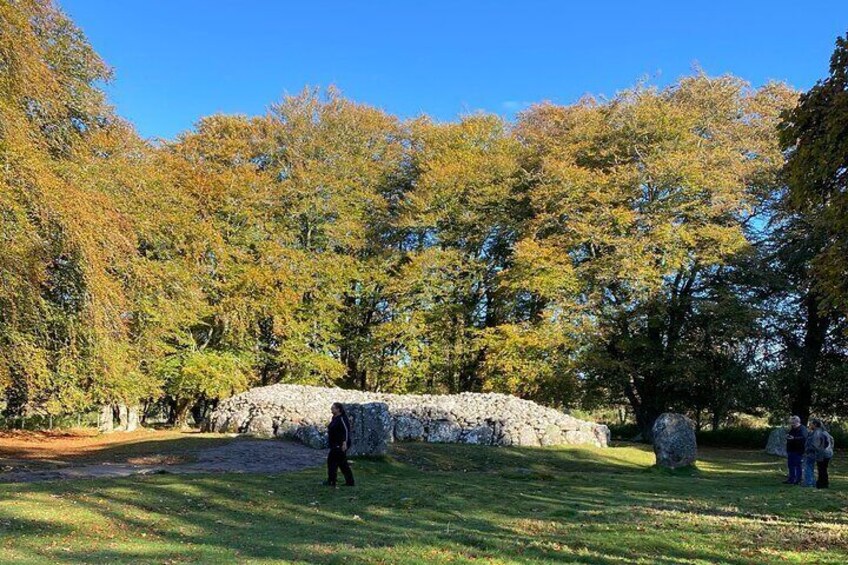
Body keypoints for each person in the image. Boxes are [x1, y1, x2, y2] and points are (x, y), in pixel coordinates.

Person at [323, 402, 355, 487]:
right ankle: (350, 481)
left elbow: (346, 431)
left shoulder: (342, 419)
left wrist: (344, 443)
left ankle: (332, 480)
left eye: (333, 408)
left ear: (338, 409)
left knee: (332, 461)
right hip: (334, 444)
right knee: (342, 463)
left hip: (339, 444)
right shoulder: (335, 418)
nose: (331, 409)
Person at [808, 418, 834, 489]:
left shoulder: (818, 432)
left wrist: (811, 449)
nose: (810, 426)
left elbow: (818, 444)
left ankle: (822, 484)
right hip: (828, 453)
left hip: (822, 454)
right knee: (823, 469)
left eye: (811, 424)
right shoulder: (824, 431)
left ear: (815, 425)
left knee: (821, 469)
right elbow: (831, 440)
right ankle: (823, 483)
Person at [784, 415, 807, 485]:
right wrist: (788, 436)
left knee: (797, 465)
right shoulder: (792, 429)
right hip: (791, 449)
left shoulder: (802, 429)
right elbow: (790, 435)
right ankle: (791, 479)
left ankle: (798, 480)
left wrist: (794, 438)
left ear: (797, 422)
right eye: (791, 423)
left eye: (793, 423)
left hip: (798, 450)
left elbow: (803, 438)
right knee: (790, 465)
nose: (792, 425)